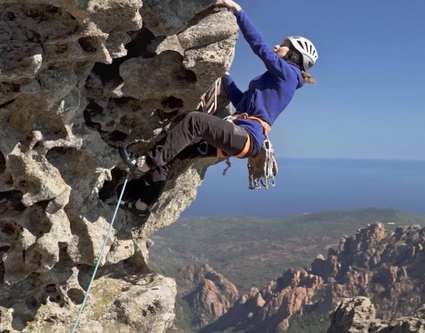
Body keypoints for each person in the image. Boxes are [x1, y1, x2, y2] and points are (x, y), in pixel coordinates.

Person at [118, 0, 318, 218]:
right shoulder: (277, 80)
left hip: (247, 137)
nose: (277, 47)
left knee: (195, 121)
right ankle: (141, 206)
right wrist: (225, 76)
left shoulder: (288, 75)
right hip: (241, 136)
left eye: (283, 45)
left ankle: (144, 164)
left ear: (294, 56)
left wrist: (238, 11)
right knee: (174, 152)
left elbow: (260, 49)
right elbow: (242, 103)